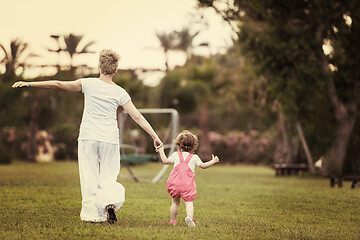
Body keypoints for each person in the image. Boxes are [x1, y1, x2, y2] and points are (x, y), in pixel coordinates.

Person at [12, 49, 163, 224]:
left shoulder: (88, 84)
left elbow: (58, 84)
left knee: (89, 175)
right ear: (115, 70)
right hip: (109, 139)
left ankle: (92, 215)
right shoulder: (120, 92)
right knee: (108, 177)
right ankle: (109, 204)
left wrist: (29, 84)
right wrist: (154, 136)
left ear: (99, 66)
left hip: (88, 137)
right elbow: (137, 116)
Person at [156, 130, 219, 227]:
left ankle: (173, 221)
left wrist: (161, 150)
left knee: (175, 202)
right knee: (189, 203)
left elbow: (165, 161)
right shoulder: (194, 157)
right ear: (194, 145)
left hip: (174, 183)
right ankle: (189, 217)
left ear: (178, 144)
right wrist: (213, 161)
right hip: (187, 185)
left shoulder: (175, 155)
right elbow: (203, 166)